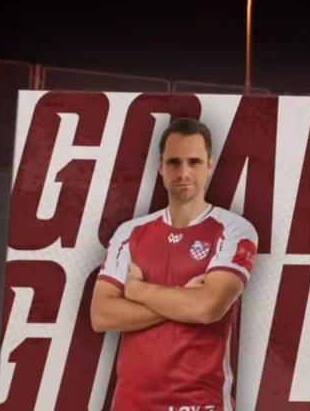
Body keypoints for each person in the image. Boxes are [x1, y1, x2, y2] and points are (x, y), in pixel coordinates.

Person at [90, 117, 258, 411]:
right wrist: (183, 299)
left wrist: (138, 291)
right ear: (160, 166)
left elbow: (207, 308)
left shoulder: (234, 229)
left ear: (210, 165)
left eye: (194, 162)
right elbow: (101, 315)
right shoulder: (130, 232)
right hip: (131, 405)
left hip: (199, 404)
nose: (184, 172)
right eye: (174, 162)